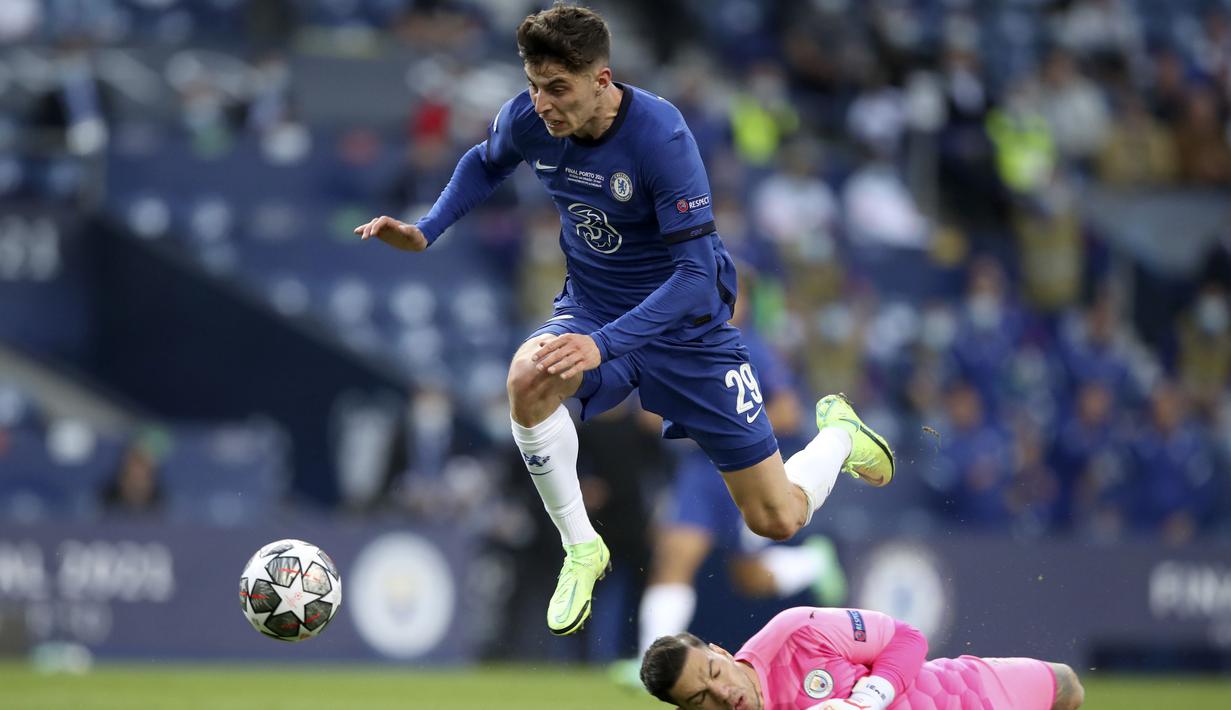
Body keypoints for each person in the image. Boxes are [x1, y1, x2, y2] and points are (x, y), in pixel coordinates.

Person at [354, 3, 895, 637]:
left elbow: (696, 278)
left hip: (685, 327)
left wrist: (602, 345)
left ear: (602, 81)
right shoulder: (530, 119)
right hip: (591, 306)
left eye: (558, 88)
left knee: (775, 519)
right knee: (527, 379)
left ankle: (839, 435)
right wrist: (426, 229)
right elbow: (486, 159)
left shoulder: (661, 136)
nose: (543, 103)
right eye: (533, 85)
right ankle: (582, 547)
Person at [641, 606, 1085, 710]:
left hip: (968, 696)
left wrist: (869, 698)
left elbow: (908, 639)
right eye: (701, 698)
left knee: (1067, 685)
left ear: (719, 651)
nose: (724, 693)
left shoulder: (796, 631)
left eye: (715, 672)